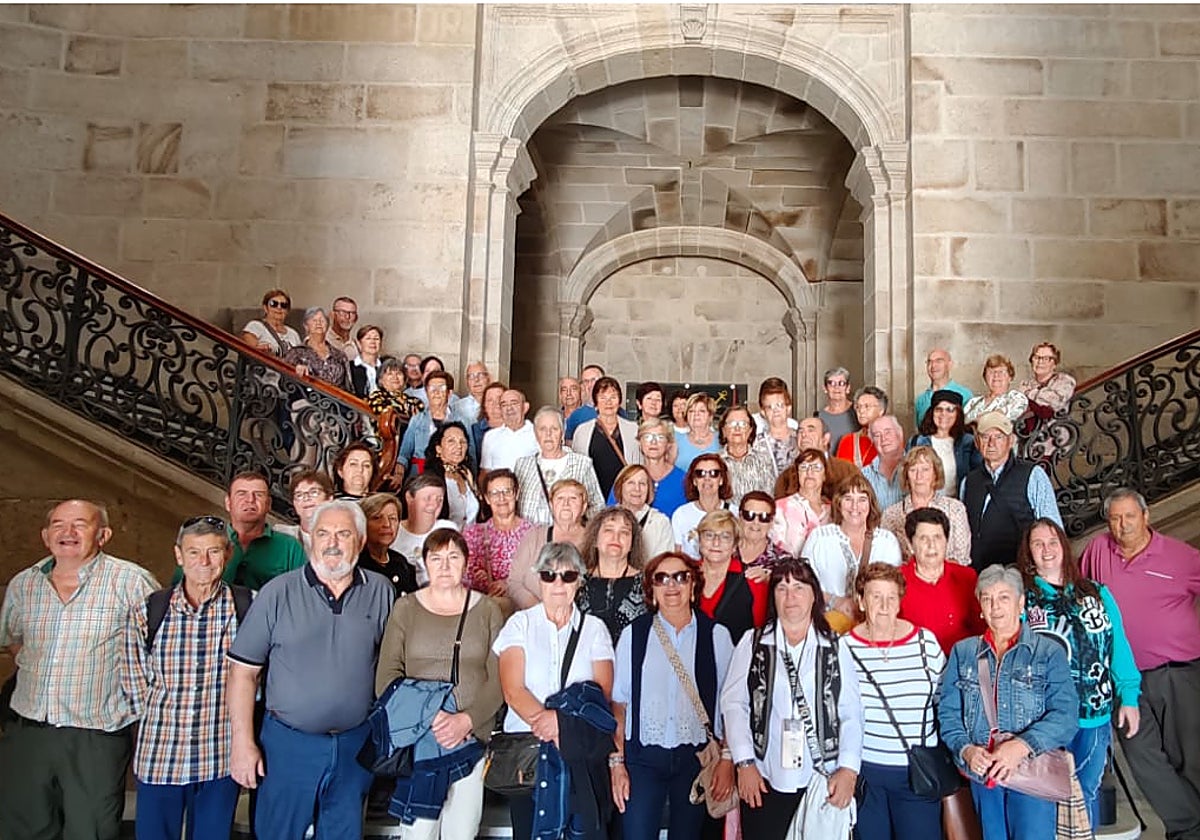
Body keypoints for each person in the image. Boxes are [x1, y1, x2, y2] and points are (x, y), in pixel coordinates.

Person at [227, 500, 394, 839]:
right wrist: (242, 743)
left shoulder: (381, 591)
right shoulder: (278, 592)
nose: (332, 543)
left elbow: (391, 668)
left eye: (343, 533)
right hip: (288, 746)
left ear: (360, 542)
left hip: (354, 747)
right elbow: (243, 673)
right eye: (323, 533)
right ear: (310, 540)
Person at [0, 500, 158, 840]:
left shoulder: (130, 581)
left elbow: (158, 649)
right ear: (45, 536)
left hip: (95, 735)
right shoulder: (23, 584)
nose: (67, 532)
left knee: (92, 831)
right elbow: (14, 643)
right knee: (22, 829)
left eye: (79, 524)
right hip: (29, 732)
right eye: (58, 524)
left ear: (103, 534)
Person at [1080, 488, 1200, 840]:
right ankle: (1189, 828)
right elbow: (1080, 589)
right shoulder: (1098, 550)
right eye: (1115, 518)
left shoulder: (1181, 556)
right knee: (1142, 756)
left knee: (1191, 758)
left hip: (1178, 673)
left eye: (1129, 516)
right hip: (1124, 680)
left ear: (1146, 517)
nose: (1122, 525)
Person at [374, 528, 505, 839]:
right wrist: (433, 718)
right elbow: (386, 677)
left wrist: (465, 720)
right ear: (425, 563)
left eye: (453, 557)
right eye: (437, 558)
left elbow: (500, 676)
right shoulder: (405, 608)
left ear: (467, 562)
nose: (445, 566)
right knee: (419, 832)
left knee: (462, 831)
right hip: (419, 738)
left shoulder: (488, 609)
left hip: (470, 739)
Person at [721, 558, 864, 839]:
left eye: (799, 587)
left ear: (814, 595)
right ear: (773, 596)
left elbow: (850, 711)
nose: (791, 596)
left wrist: (848, 770)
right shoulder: (754, 642)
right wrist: (744, 762)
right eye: (782, 588)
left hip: (821, 776)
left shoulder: (834, 647)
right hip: (763, 776)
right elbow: (734, 705)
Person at [122, 516, 246, 840]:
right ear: (179, 555)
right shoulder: (149, 611)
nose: (203, 562)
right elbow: (134, 683)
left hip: (220, 756)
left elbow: (256, 680)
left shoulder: (247, 607)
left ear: (227, 554)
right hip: (160, 755)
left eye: (213, 552)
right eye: (194, 552)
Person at [1017, 518, 1142, 831]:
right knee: (1044, 796)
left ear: (1063, 546)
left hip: (1094, 715)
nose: (1046, 550)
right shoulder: (1024, 598)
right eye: (1037, 543)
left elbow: (1118, 647)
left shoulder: (1096, 593)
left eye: (1052, 542)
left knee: (1085, 794)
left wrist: (1129, 696)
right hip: (1044, 719)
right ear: (1028, 552)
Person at [937, 565, 1078, 840]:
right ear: (980, 606)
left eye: (1004, 597)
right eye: (987, 598)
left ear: (1021, 603)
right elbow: (948, 713)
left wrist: (1021, 746)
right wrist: (966, 749)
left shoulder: (1047, 652)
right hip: (983, 774)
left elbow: (1065, 716)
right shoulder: (963, 652)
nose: (995, 606)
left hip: (1030, 773)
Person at [494, 542, 616, 840]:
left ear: (580, 581)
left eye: (568, 576)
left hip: (580, 754)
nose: (558, 583)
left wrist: (562, 727)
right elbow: (513, 690)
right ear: (538, 579)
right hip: (529, 756)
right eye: (549, 575)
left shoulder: (595, 628)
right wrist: (554, 728)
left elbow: (602, 693)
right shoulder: (519, 624)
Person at [611, 552, 736, 840]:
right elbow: (619, 704)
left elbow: (731, 706)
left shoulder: (717, 636)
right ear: (652, 590)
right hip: (642, 758)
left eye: (681, 577)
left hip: (696, 759)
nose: (672, 585)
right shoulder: (634, 635)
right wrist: (616, 763)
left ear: (693, 585)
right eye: (661, 578)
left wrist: (727, 759)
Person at [844, 563, 946, 840]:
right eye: (875, 596)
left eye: (891, 597)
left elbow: (944, 703)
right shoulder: (844, 648)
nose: (884, 605)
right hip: (866, 775)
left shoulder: (926, 644)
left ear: (901, 602)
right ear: (861, 601)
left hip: (917, 774)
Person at [961, 411, 1062, 572]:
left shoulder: (1033, 475)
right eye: (985, 437)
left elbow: (1053, 529)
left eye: (999, 437)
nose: (991, 443)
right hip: (981, 575)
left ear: (1011, 441)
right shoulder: (969, 481)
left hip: (1022, 573)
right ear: (977, 442)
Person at [803, 473, 902, 631]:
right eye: (848, 499)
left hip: (876, 628)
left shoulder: (887, 541)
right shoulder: (819, 539)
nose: (855, 507)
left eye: (862, 499)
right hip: (828, 626)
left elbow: (896, 589)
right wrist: (836, 601)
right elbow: (803, 585)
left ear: (871, 505)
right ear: (838, 503)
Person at [897, 508, 985, 656]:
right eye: (923, 538)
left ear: (946, 541)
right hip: (916, 668)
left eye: (937, 537)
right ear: (910, 544)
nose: (931, 545)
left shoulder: (966, 577)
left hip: (962, 666)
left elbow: (980, 630)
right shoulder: (896, 581)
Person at [879, 445, 972, 564]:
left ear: (935, 474)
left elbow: (962, 557)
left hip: (948, 579)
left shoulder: (955, 509)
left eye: (925, 469)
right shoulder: (891, 514)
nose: (919, 476)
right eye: (913, 470)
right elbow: (886, 559)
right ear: (906, 476)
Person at [508, 478, 591, 610]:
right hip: (534, 615)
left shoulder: (594, 541)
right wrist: (539, 611)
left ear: (584, 506)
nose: (566, 504)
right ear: (551, 505)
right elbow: (514, 582)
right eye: (560, 498)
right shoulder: (534, 536)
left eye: (573, 499)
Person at [516, 406, 605, 525]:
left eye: (554, 429)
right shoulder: (523, 465)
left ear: (562, 432)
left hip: (568, 538)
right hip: (531, 537)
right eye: (542, 429)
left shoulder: (582, 464)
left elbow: (597, 506)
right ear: (536, 434)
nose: (548, 434)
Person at [220, 470, 307, 590]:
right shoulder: (207, 541)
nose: (250, 500)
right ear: (228, 503)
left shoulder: (290, 547)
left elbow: (304, 594)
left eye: (259, 494)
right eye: (241, 494)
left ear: (269, 504)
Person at [463, 469, 535, 610]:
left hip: (523, 609)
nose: (501, 498)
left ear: (516, 494)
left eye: (507, 491)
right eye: (494, 493)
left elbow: (539, 573)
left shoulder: (534, 533)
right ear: (486, 498)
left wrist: (509, 584)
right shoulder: (472, 533)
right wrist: (481, 580)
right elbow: (464, 576)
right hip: (484, 609)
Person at [695, 509, 768, 645]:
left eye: (725, 536)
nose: (716, 543)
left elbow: (760, 634)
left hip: (735, 662)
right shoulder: (685, 575)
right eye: (709, 535)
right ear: (699, 541)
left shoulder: (752, 581)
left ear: (735, 545)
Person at [577, 506, 648, 644]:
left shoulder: (648, 584)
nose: (616, 537)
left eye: (624, 532)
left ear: (632, 543)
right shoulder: (576, 582)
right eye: (608, 530)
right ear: (595, 539)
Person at [571, 376, 643, 498]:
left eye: (613, 397)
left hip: (625, 496)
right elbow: (576, 469)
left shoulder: (633, 430)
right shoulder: (582, 431)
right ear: (595, 402)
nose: (608, 402)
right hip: (592, 495)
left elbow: (640, 465)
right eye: (603, 397)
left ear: (619, 401)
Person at [398, 370, 473, 478]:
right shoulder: (417, 419)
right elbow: (404, 454)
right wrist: (399, 473)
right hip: (419, 476)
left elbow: (471, 456)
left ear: (449, 393)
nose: (436, 392)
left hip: (453, 476)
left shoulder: (463, 421)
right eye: (432, 388)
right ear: (426, 392)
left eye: (441, 388)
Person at [910, 388, 980, 498]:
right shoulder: (917, 441)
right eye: (939, 409)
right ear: (932, 412)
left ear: (958, 413)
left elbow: (978, 476)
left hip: (958, 506)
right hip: (925, 505)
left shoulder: (969, 442)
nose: (944, 414)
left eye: (950, 410)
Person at [392, 473, 458, 586]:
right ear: (409, 497)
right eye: (428, 498)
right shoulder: (393, 532)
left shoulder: (448, 529)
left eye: (439, 499)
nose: (434, 505)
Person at [671, 454, 737, 559]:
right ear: (694, 480)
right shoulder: (681, 514)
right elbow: (677, 555)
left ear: (721, 480)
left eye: (714, 473)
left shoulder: (735, 513)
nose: (707, 478)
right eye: (700, 473)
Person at [770, 448, 832, 557]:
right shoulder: (780, 507)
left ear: (824, 475)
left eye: (816, 467)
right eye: (803, 467)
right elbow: (775, 550)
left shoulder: (834, 510)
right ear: (797, 474)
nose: (809, 472)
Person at [358, 492, 421, 598]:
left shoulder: (401, 562)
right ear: (363, 523)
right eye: (377, 518)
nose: (387, 524)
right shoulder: (357, 565)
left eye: (392, 518)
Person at [424, 421, 480, 530]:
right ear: (438, 448)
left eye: (462, 442)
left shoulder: (467, 474)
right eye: (451, 441)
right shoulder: (430, 479)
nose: (459, 446)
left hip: (472, 541)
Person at [719, 403, 778, 506]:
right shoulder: (715, 462)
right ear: (723, 430)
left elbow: (770, 497)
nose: (737, 428)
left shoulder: (764, 460)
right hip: (724, 519)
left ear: (751, 430)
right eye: (732, 423)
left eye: (743, 424)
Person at [628, 416, 688, 516]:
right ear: (639, 443)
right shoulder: (627, 478)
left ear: (668, 444)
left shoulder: (684, 480)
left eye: (660, 437)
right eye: (647, 437)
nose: (653, 442)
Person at [612, 463, 674, 557]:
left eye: (642, 484)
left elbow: (662, 563)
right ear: (620, 487)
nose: (637, 489)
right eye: (631, 483)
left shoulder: (661, 522)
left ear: (649, 489)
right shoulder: (605, 519)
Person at [284, 306, 351, 390]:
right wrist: (296, 371)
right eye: (314, 320)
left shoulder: (339, 355)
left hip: (336, 400)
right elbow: (284, 383)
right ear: (306, 326)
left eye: (322, 320)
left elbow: (349, 387)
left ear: (327, 325)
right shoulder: (295, 353)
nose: (318, 323)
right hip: (308, 400)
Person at [367, 356, 426, 442]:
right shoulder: (376, 397)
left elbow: (421, 415)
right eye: (390, 374)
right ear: (381, 379)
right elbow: (388, 414)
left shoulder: (413, 400)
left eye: (399, 373)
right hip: (387, 445)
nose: (395, 377)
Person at [480, 388, 539, 474]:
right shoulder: (490, 436)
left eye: (514, 403)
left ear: (525, 407)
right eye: (504, 405)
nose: (509, 408)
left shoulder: (538, 433)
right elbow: (485, 472)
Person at [276, 468, 334, 553]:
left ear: (329, 499)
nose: (306, 498)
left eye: (314, 492)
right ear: (294, 503)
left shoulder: (342, 537)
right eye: (299, 495)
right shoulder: (282, 535)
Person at [914, 348, 974, 428]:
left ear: (949, 365)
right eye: (929, 362)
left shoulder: (965, 395)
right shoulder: (920, 400)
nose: (933, 366)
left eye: (938, 361)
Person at [964, 354, 1029, 426]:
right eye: (991, 372)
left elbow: (1014, 411)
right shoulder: (973, 402)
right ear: (985, 377)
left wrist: (982, 419)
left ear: (1010, 377)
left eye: (1001, 372)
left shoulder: (1015, 397)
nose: (996, 375)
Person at [1019, 341, 1076, 422]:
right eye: (1036, 357)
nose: (1040, 362)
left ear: (1055, 363)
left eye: (1046, 358)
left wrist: (1029, 393)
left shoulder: (1065, 381)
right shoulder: (1026, 383)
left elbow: (1054, 402)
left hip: (1055, 431)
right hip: (1029, 432)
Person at [836, 385, 888, 467]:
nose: (861, 411)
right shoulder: (847, 441)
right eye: (858, 407)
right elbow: (841, 474)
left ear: (881, 410)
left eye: (867, 406)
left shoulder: (892, 439)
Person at [862, 414, 906, 509]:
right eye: (877, 435)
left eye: (888, 432)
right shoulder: (864, 475)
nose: (883, 439)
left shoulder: (916, 468)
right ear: (872, 441)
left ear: (900, 433)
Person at [758, 379, 802, 474]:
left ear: (788, 408)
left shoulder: (801, 439)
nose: (775, 411)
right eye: (770, 407)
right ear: (763, 412)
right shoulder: (755, 444)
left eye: (779, 405)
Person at [737, 491, 789, 571]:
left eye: (764, 517)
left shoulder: (783, 560)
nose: (756, 522)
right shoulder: (722, 549)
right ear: (740, 517)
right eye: (749, 515)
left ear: (771, 521)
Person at [240, 288, 300, 356]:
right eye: (274, 304)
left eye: (283, 305)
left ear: (287, 311)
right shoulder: (255, 326)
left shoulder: (294, 334)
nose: (279, 308)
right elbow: (250, 351)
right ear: (265, 308)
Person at [674, 392, 721, 470]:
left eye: (702, 411)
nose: (696, 414)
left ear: (710, 416)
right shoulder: (675, 440)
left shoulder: (721, 439)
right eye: (691, 411)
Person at [817, 366, 858, 455]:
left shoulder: (858, 411)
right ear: (825, 388)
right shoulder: (818, 417)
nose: (836, 387)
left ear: (848, 388)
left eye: (841, 383)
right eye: (831, 383)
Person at [564, 363, 607, 441]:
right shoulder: (576, 415)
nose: (590, 385)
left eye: (593, 380)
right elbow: (569, 445)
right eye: (586, 381)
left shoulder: (618, 411)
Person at [471, 380, 506, 459]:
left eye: (499, 398)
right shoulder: (474, 430)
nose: (495, 403)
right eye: (490, 400)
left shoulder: (515, 429)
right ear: (484, 405)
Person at [347, 324, 384, 398]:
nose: (373, 342)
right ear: (359, 343)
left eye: (376, 339)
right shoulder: (350, 367)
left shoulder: (385, 366)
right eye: (368, 338)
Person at [457, 361, 492, 425]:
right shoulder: (457, 407)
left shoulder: (498, 403)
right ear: (467, 382)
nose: (476, 380)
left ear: (488, 378)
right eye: (471, 376)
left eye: (480, 375)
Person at [327, 295, 359, 360]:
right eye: (342, 312)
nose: (347, 317)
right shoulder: (321, 341)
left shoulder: (357, 346)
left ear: (356, 318)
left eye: (352, 313)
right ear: (332, 315)